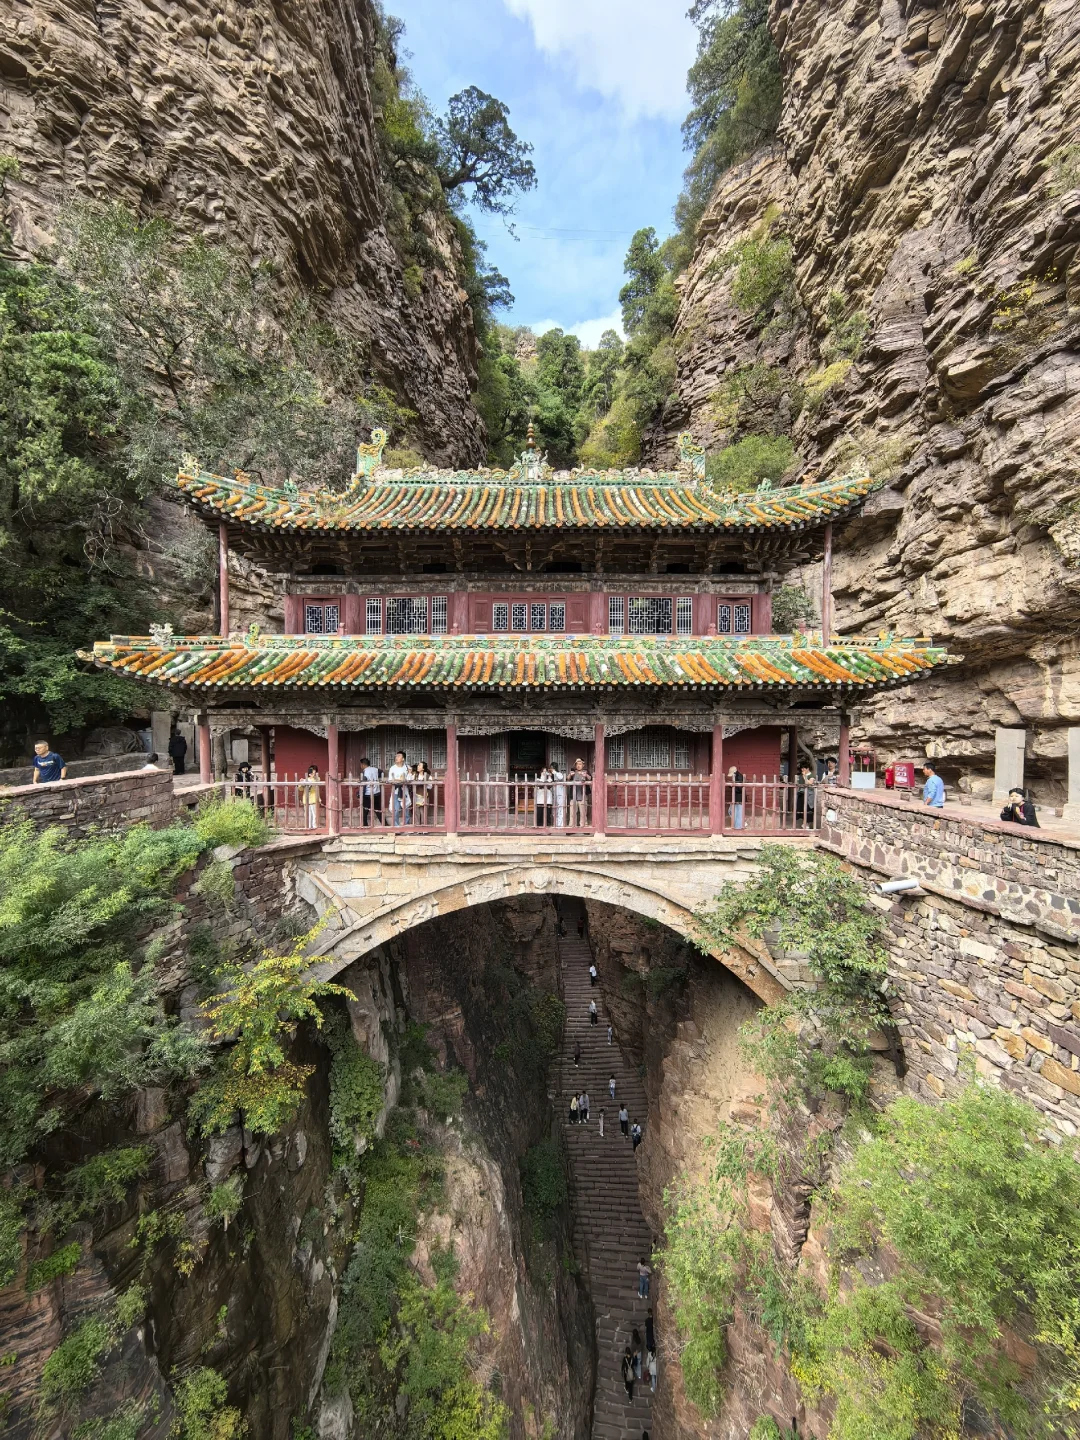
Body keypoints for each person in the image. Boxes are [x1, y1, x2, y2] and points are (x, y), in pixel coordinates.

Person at [388, 750, 412, 825]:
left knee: (406, 810)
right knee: (396, 810)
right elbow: (391, 780)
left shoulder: (407, 767)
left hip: (404, 791)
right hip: (395, 791)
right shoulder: (392, 768)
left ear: (403, 759)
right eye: (396, 756)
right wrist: (401, 780)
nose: (396, 757)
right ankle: (396, 827)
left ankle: (406, 826)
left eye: (398, 756)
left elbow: (409, 779)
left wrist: (409, 773)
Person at [360, 756, 382, 827]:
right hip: (376, 793)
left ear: (363, 764)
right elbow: (381, 771)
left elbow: (364, 784)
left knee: (365, 811)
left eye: (361, 765)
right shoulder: (375, 769)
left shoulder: (365, 771)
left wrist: (360, 794)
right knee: (378, 810)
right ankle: (385, 825)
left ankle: (365, 826)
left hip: (368, 794)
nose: (361, 766)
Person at [570, 757, 591, 828]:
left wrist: (586, 775)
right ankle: (572, 827)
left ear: (583, 765)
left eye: (580, 764)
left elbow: (590, 778)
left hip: (583, 795)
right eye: (577, 764)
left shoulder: (586, 771)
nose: (578, 765)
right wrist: (570, 775)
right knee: (572, 813)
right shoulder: (573, 771)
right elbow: (567, 778)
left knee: (583, 813)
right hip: (573, 795)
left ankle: (584, 827)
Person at [412, 760, 433, 826]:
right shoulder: (415, 776)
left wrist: (424, 783)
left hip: (424, 796)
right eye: (418, 765)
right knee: (416, 812)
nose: (418, 766)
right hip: (416, 795)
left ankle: (424, 828)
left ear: (423, 768)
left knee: (423, 812)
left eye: (419, 765)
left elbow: (430, 787)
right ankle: (418, 827)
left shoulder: (428, 776)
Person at [796, 762, 816, 827]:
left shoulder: (811, 775)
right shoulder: (800, 776)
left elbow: (809, 783)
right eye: (802, 768)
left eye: (804, 768)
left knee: (808, 808)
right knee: (801, 808)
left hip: (809, 795)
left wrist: (805, 777)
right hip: (801, 793)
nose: (802, 770)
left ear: (807, 769)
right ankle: (804, 822)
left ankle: (808, 823)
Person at [301, 764, 321, 830]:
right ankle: (308, 827)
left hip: (314, 799)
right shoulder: (306, 779)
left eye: (314, 772)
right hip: (306, 799)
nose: (313, 773)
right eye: (311, 771)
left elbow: (315, 784)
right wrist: (301, 783)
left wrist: (311, 779)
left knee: (314, 815)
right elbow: (300, 789)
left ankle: (314, 828)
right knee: (307, 815)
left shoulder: (317, 779)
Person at [726, 764, 744, 829]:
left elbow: (739, 788)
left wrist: (732, 786)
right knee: (732, 811)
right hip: (736, 797)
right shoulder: (737, 776)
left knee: (738, 813)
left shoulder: (739, 777)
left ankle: (739, 827)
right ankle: (739, 825)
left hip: (739, 797)